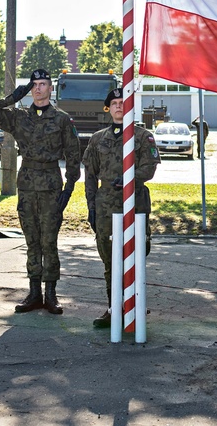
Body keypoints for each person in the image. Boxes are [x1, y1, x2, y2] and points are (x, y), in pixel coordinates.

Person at [0, 69, 81, 315]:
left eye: (42, 84)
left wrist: (68, 190)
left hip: (50, 186)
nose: (37, 88)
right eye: (33, 85)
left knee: (49, 241)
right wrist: (13, 97)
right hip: (26, 185)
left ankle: (51, 294)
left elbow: (73, 156)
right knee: (31, 241)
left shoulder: (62, 119)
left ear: (51, 89)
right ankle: (34, 293)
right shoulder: (19, 117)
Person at [83, 88, 160, 328]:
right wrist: (92, 206)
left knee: (135, 255)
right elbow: (90, 174)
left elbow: (149, 169)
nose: (118, 106)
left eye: (122, 103)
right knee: (109, 259)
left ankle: (134, 304)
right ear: (108, 108)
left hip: (134, 203)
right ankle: (113, 307)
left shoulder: (142, 136)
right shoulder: (98, 138)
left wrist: (129, 178)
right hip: (106, 205)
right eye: (114, 103)